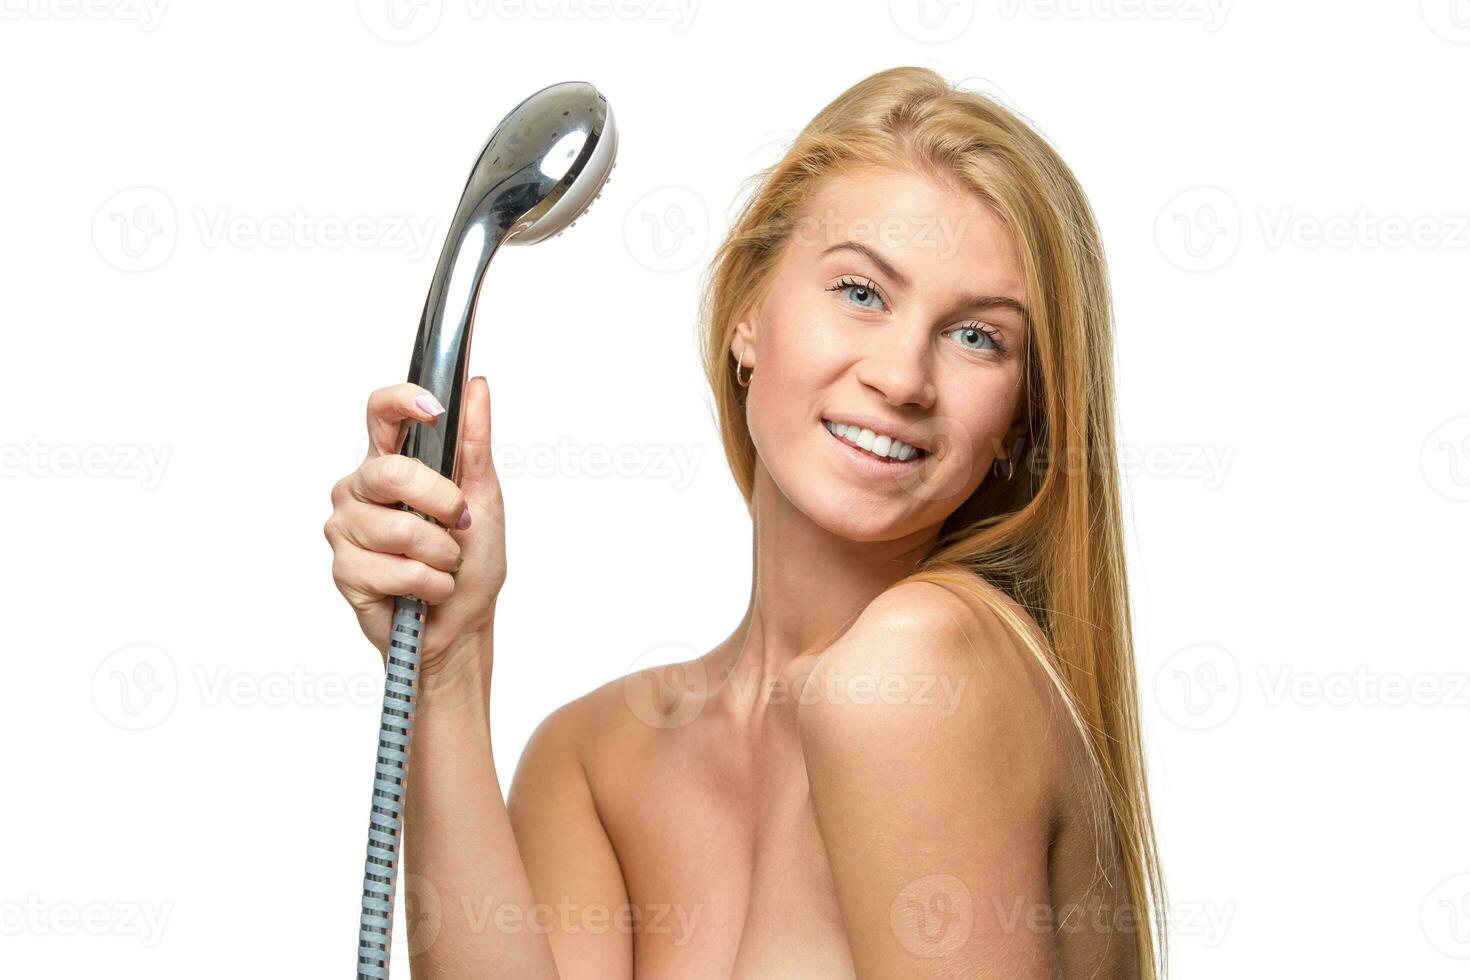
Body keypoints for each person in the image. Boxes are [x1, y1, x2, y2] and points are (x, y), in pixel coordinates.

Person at [323, 65, 1165, 979]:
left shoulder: (919, 673)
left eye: (977, 337)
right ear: (749, 314)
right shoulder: (598, 759)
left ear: (1021, 419)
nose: (903, 377)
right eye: (861, 292)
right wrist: (446, 656)